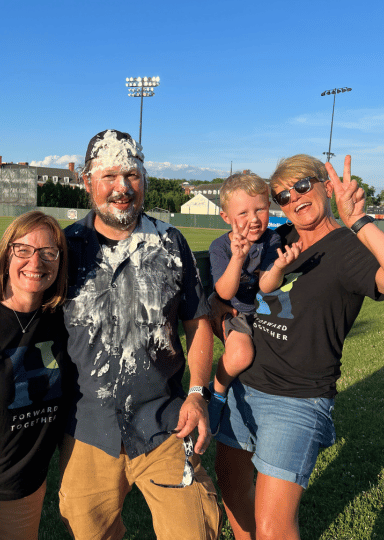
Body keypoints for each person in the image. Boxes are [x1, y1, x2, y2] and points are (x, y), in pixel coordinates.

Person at [58, 129, 222, 540]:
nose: (122, 187)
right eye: (109, 175)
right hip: (87, 431)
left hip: (165, 424)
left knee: (193, 532)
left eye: (131, 175)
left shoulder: (170, 242)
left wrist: (199, 394)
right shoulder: (64, 248)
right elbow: (10, 299)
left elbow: (197, 324)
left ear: (144, 179)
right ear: (86, 181)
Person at [210, 154, 384, 540]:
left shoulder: (347, 248)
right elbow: (223, 294)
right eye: (283, 195)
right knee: (234, 491)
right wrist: (226, 327)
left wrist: (359, 220)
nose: (294, 198)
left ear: (326, 184)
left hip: (296, 399)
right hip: (243, 386)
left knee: (273, 528)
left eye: (303, 185)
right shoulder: (277, 239)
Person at [0, 211, 69, 540]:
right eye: (23, 250)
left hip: (26, 488)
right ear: (6, 253)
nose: (36, 261)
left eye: (49, 252)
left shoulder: (61, 318)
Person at [208, 173, 301, 427]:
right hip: (234, 311)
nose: (253, 219)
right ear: (226, 218)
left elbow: (265, 285)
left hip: (260, 312)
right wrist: (238, 257)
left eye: (260, 209)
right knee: (240, 355)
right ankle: (216, 393)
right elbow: (225, 293)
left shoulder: (271, 239)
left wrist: (279, 268)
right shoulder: (220, 247)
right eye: (242, 213)